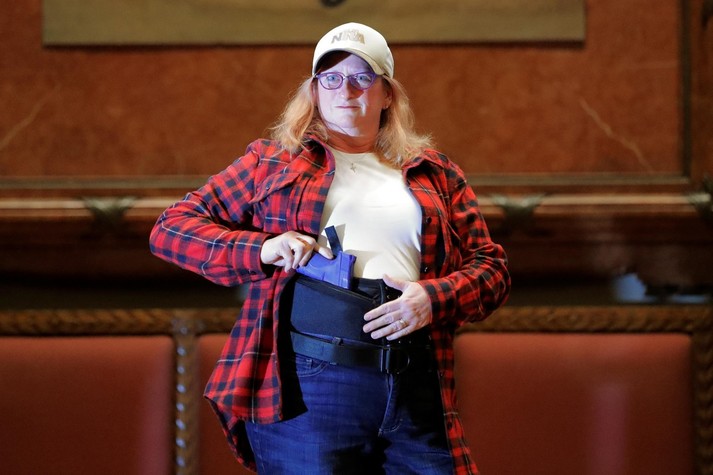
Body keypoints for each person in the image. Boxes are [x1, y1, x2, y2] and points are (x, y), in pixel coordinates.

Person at [150, 22, 510, 475]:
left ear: (387, 94)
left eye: (362, 77)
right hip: (312, 383)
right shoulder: (271, 162)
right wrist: (262, 248)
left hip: (418, 381)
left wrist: (433, 298)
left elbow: (492, 269)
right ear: (315, 91)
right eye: (332, 78)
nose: (346, 90)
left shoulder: (435, 172)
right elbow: (171, 229)